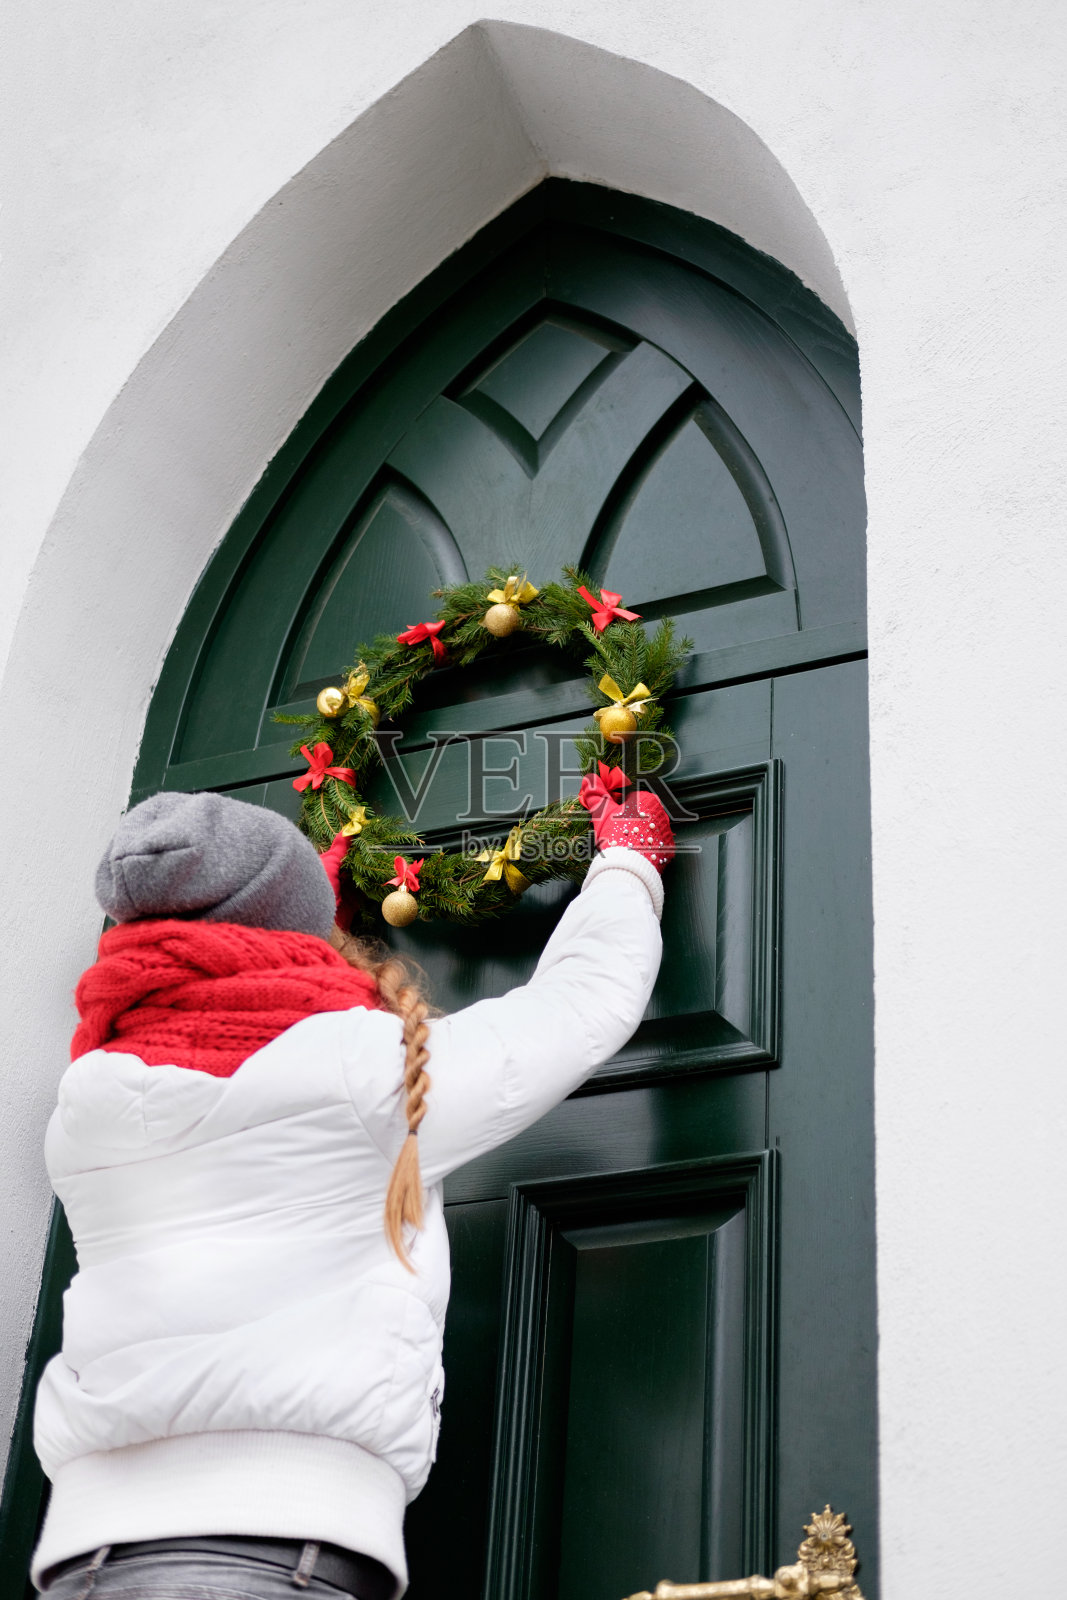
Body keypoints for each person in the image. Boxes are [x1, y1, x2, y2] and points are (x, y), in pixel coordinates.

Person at [31, 782, 673, 1598]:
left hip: (86, 1563)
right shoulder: (360, 1072)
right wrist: (628, 867)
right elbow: (575, 1009)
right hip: (276, 1553)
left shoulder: (85, 1104)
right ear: (296, 924)